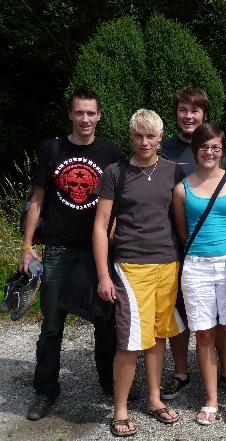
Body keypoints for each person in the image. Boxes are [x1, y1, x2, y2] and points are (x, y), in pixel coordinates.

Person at [21, 87, 122, 421]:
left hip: (97, 251)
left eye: (91, 113)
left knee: (105, 320)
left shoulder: (110, 152)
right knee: (52, 325)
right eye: (79, 112)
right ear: (70, 114)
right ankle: (45, 390)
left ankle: (109, 382)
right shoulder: (52, 149)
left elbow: (117, 204)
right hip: (58, 250)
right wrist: (26, 247)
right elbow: (37, 199)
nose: (85, 119)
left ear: (99, 116)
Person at [93, 109, 185, 437]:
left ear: (161, 137)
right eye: (138, 135)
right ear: (131, 136)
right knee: (130, 340)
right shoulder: (115, 172)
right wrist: (104, 276)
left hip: (168, 263)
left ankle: (154, 399)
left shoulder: (174, 171)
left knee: (158, 335)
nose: (144, 142)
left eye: (151, 136)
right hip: (131, 266)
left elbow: (180, 218)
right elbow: (100, 226)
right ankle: (120, 409)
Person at [159, 85, 226, 399]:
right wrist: (191, 247)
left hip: (224, 251)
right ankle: (181, 372)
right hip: (180, 246)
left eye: (194, 110)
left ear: (204, 115)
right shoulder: (165, 149)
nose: (188, 116)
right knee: (187, 317)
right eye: (183, 110)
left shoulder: (225, 156)